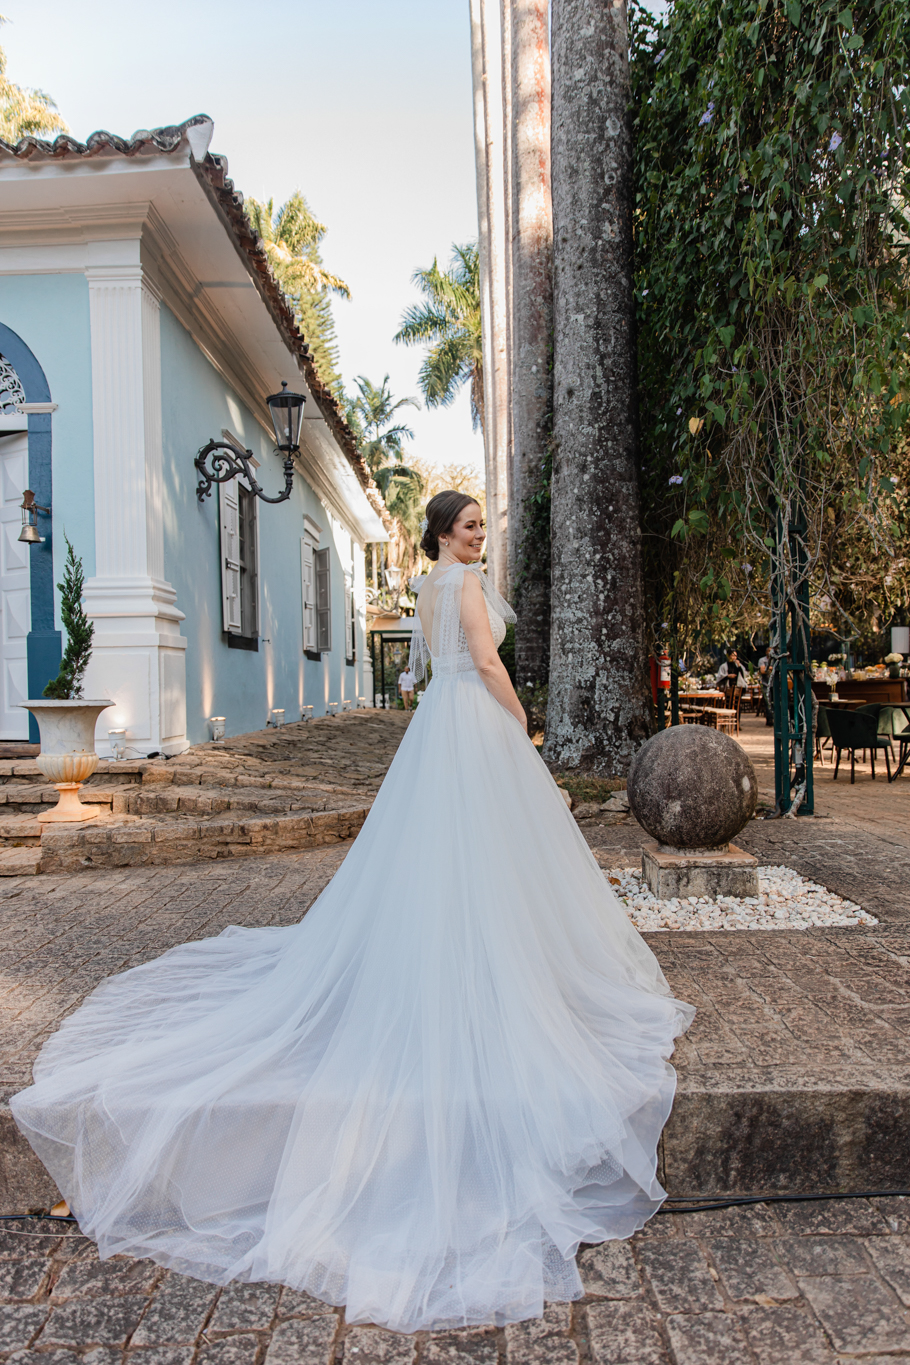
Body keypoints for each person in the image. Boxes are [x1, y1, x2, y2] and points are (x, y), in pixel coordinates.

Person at [11, 490, 693, 1335]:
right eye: (470, 525)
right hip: (473, 721)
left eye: (482, 525)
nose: (480, 534)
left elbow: (426, 662)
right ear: (445, 531)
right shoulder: (466, 587)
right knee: (486, 849)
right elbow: (484, 663)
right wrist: (523, 722)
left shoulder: (428, 584)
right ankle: (491, 965)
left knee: (438, 852)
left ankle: (455, 952)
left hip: (436, 727)